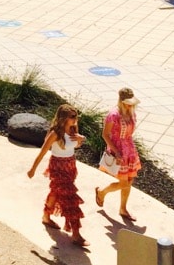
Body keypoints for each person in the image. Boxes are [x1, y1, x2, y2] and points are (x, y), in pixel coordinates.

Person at [27, 104, 87, 246]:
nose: (75, 119)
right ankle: (76, 233)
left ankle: (46, 217)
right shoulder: (55, 133)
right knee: (71, 198)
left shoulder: (73, 129)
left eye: (76, 116)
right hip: (58, 167)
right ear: (64, 118)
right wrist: (33, 169)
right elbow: (42, 152)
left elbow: (74, 146)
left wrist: (80, 140)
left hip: (70, 165)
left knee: (56, 192)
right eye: (72, 117)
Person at [96, 88, 142, 222]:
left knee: (129, 181)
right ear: (121, 101)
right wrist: (115, 151)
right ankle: (101, 192)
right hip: (118, 150)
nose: (130, 105)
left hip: (129, 150)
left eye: (131, 103)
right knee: (124, 183)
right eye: (127, 103)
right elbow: (105, 134)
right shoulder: (113, 115)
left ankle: (123, 208)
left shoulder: (131, 113)